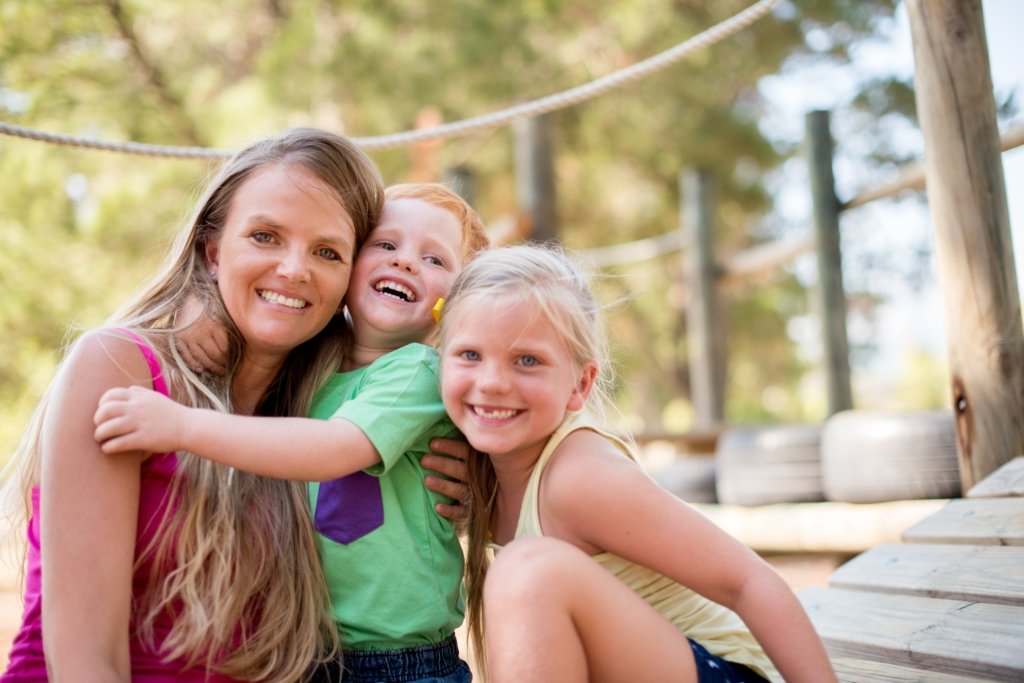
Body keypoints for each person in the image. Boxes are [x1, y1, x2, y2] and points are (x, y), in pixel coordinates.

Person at [93, 182, 491, 682]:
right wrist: (200, 310)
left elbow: (332, 449)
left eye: (435, 260)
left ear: (455, 302)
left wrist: (182, 425)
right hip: (302, 649)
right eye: (386, 245)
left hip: (395, 662)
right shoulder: (313, 362)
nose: (406, 262)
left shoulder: (418, 371)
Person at [436, 244, 838, 683]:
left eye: (527, 360)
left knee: (528, 572)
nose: (492, 382)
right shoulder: (480, 478)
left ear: (580, 383)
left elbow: (749, 582)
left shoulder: (578, 477)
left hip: (721, 673)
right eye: (470, 355)